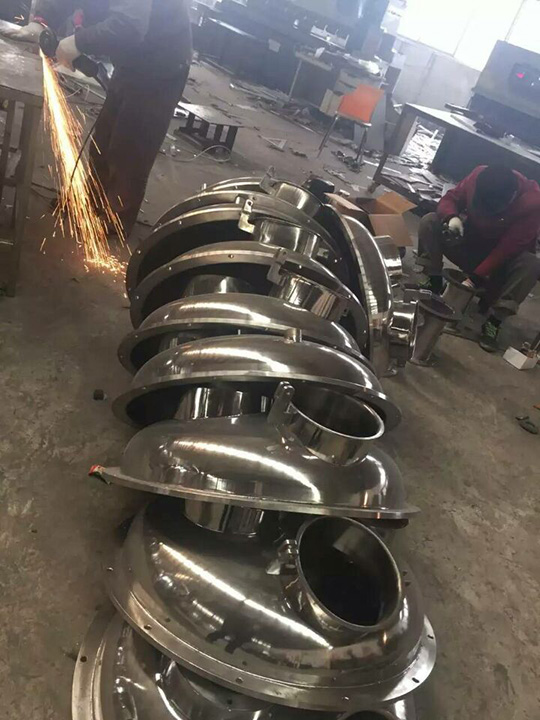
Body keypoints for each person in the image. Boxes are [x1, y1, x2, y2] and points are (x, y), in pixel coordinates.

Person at [1, 0, 192, 239]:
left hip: (161, 64)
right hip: (132, 59)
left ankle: (115, 221)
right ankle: (91, 203)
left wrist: (79, 42)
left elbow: (129, 26)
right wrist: (41, 22)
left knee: (130, 149)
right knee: (104, 139)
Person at [418, 164, 540, 352]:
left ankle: (494, 320)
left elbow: (507, 248)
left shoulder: (533, 202)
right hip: (471, 244)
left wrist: (475, 278)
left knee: (531, 264)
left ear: (512, 197)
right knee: (430, 221)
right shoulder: (478, 176)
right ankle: (432, 281)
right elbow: (450, 198)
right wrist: (451, 217)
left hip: (499, 264)